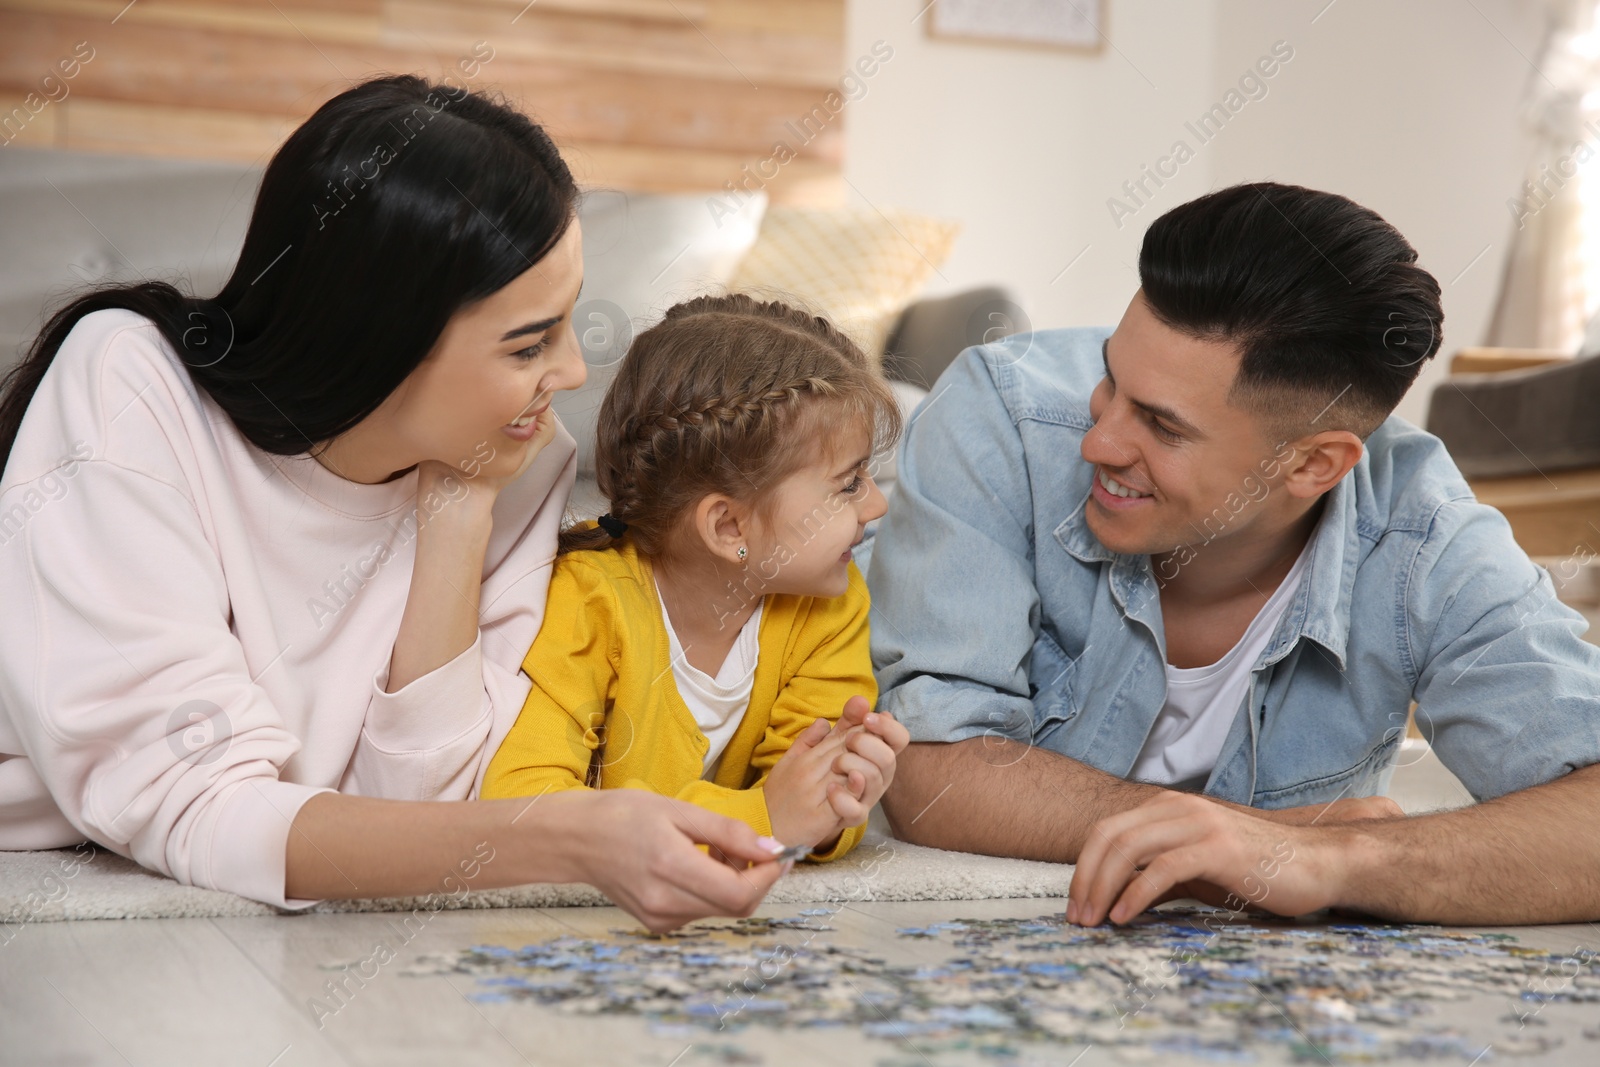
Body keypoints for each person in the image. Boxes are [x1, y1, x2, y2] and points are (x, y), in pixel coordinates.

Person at [0, 75, 788, 933]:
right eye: (530, 343)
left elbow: (416, 809)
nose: (569, 375)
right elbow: (195, 807)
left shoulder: (516, 463)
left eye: (568, 324)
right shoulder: (130, 383)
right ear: (378, 337)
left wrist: (455, 518)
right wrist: (568, 836)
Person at [866, 182, 1600, 925]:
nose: (1099, 442)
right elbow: (930, 767)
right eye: (1110, 379)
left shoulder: (1426, 538)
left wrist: (1333, 859)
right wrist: (1250, 838)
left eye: (1162, 425)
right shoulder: (999, 414)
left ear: (1314, 466)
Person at [483, 294, 911, 860]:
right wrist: (761, 818)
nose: (878, 504)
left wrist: (840, 797)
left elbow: (805, 804)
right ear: (729, 526)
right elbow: (521, 802)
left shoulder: (830, 602)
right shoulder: (590, 601)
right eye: (849, 483)